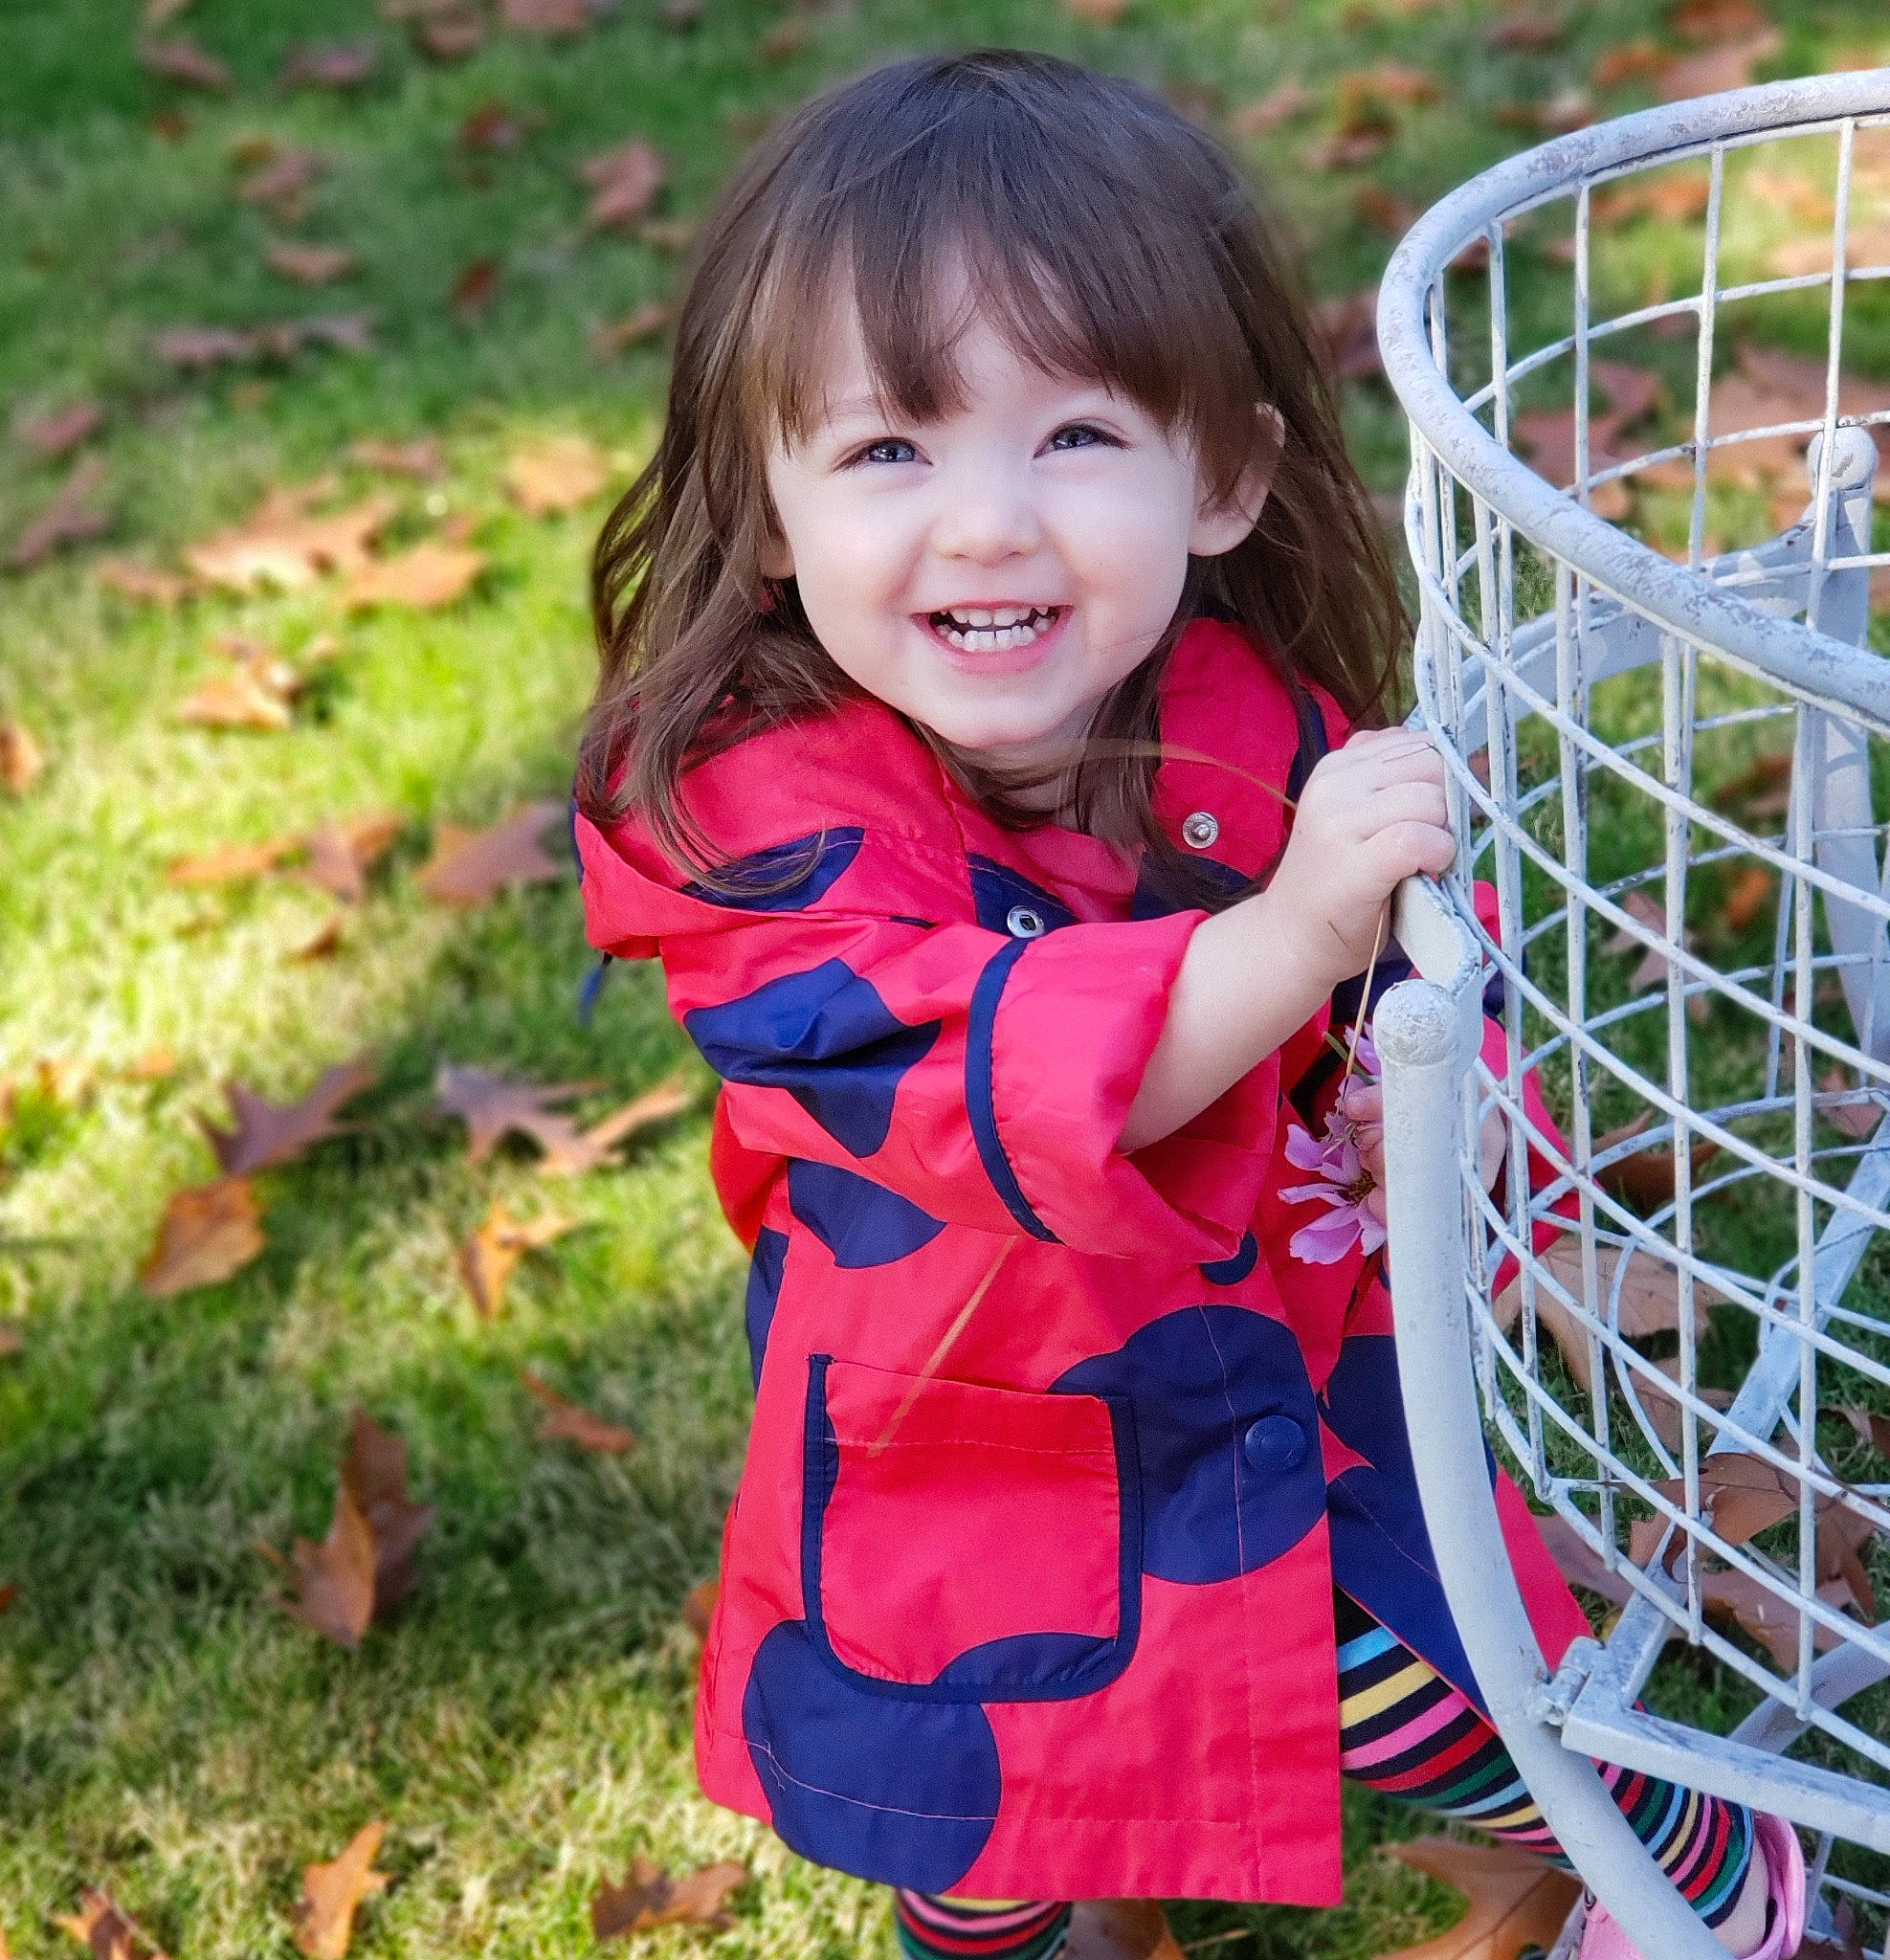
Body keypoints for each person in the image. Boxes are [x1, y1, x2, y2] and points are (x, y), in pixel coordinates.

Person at [569, 49, 1805, 1960]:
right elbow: (965, 1067)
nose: (986, 524)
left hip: (1283, 1382)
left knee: (1442, 1681)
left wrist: (1453, 1099)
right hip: (961, 1412)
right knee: (980, 1791)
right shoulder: (754, 830)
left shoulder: (1251, 728)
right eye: (889, 451)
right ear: (768, 510)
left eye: (1073, 435)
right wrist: (1283, 939)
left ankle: (1709, 1897)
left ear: (1216, 476)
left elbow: (1419, 974)